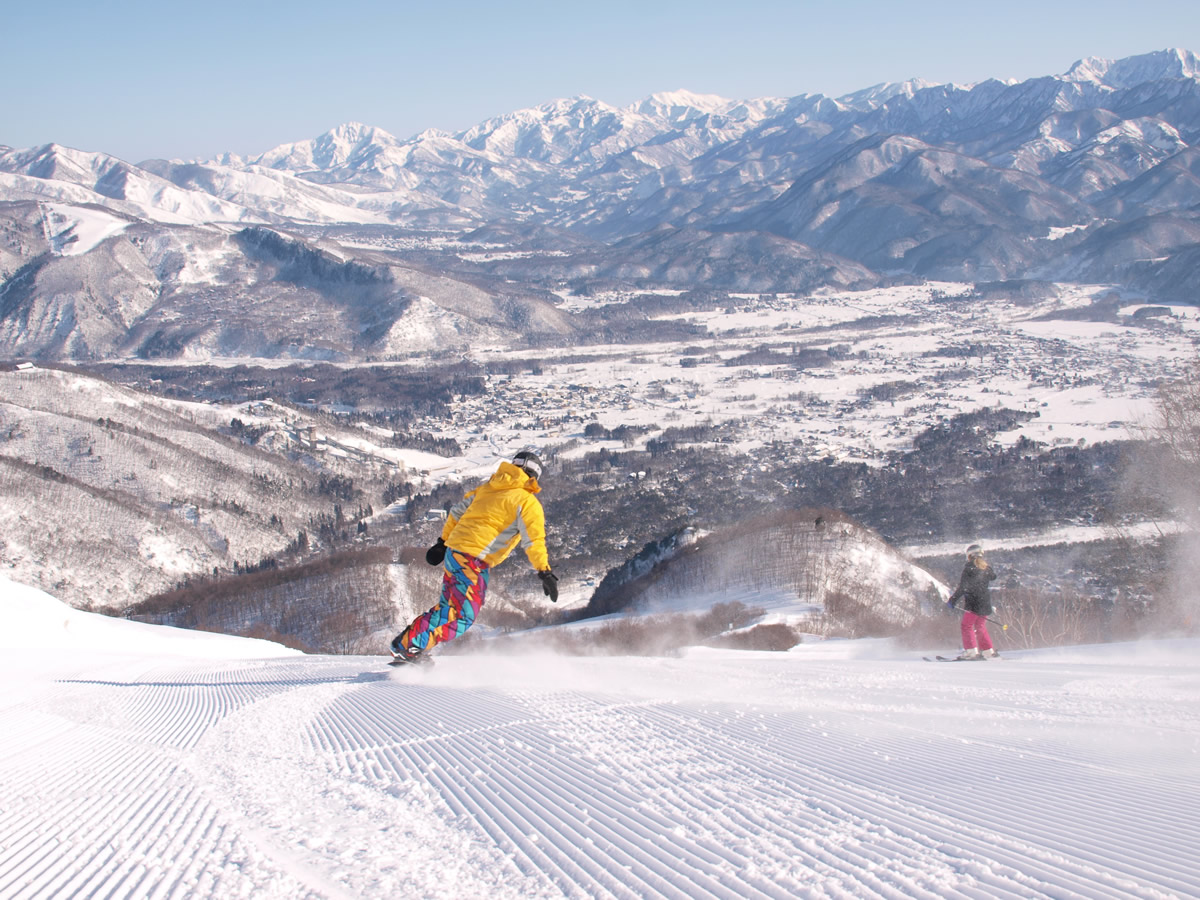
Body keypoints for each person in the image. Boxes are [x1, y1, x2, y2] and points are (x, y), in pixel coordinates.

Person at [389, 449, 558, 664]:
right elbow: (533, 540)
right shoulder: (526, 502)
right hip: (473, 559)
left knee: (448, 608)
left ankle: (411, 646)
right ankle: (408, 646)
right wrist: (545, 572)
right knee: (462, 615)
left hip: (455, 553)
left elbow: (457, 513)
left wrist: (442, 543)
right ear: (534, 476)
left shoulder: (487, 488)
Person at [947, 543, 998, 659]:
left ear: (969, 555)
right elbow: (993, 576)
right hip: (985, 602)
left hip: (974, 602)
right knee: (980, 626)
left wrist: (953, 600)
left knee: (966, 626)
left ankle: (971, 651)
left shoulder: (969, 567)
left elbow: (963, 587)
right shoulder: (986, 567)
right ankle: (988, 651)